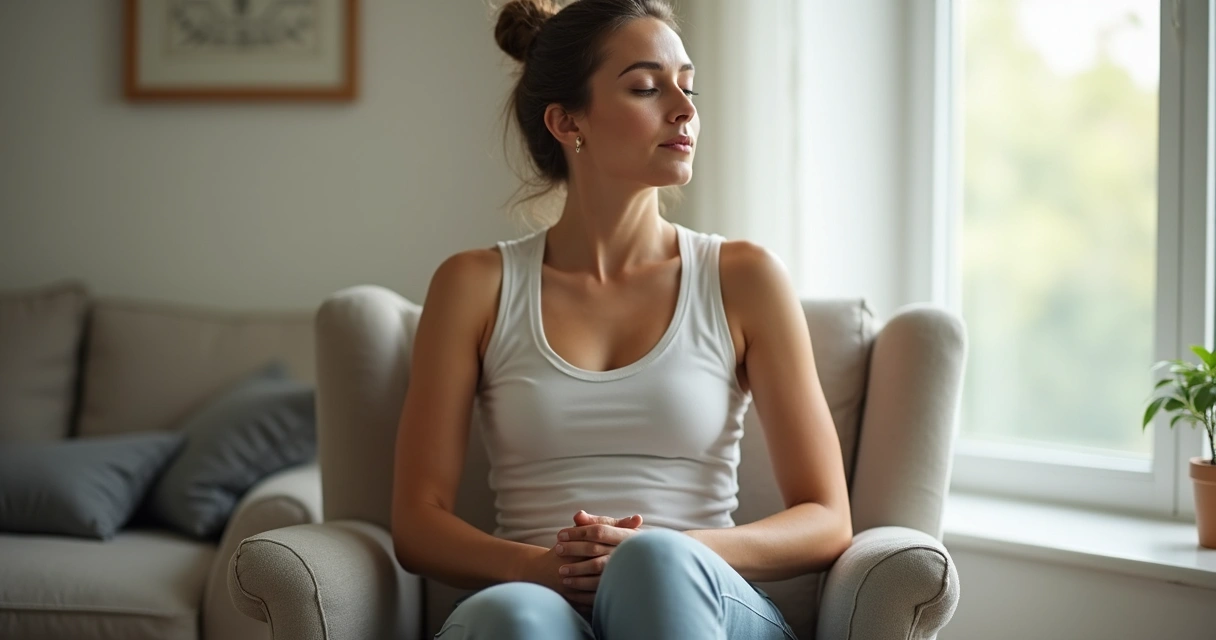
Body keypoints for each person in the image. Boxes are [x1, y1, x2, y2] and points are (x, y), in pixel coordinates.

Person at [390, 1, 852, 637]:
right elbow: (417, 522)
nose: (684, 109)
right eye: (645, 88)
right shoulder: (474, 286)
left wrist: (668, 549)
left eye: (688, 87)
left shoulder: (744, 277)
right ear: (567, 121)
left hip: (704, 595)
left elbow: (827, 517)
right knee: (506, 614)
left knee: (654, 565)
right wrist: (539, 567)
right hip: (540, 600)